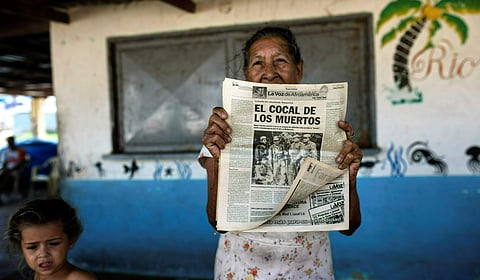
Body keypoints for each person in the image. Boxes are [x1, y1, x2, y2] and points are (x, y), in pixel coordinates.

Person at [199, 26, 362, 279]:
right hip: (241, 267)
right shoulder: (223, 130)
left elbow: (350, 227)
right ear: (246, 73)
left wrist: (349, 179)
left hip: (308, 268)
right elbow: (216, 223)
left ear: (299, 69)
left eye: (280, 61)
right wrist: (217, 159)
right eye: (257, 63)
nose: (269, 73)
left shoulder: (331, 129)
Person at [5, 197, 97, 280]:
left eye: (54, 243)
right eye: (32, 247)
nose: (43, 254)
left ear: (71, 241)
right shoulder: (39, 275)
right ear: (21, 247)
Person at [0, 136, 29, 202]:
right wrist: (4, 169)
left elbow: (23, 162)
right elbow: (4, 163)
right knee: (3, 176)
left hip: (17, 170)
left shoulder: (20, 151)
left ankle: (13, 192)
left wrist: (12, 169)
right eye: (9, 142)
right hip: (8, 170)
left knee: (10, 176)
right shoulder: (6, 152)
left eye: (11, 142)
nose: (10, 144)